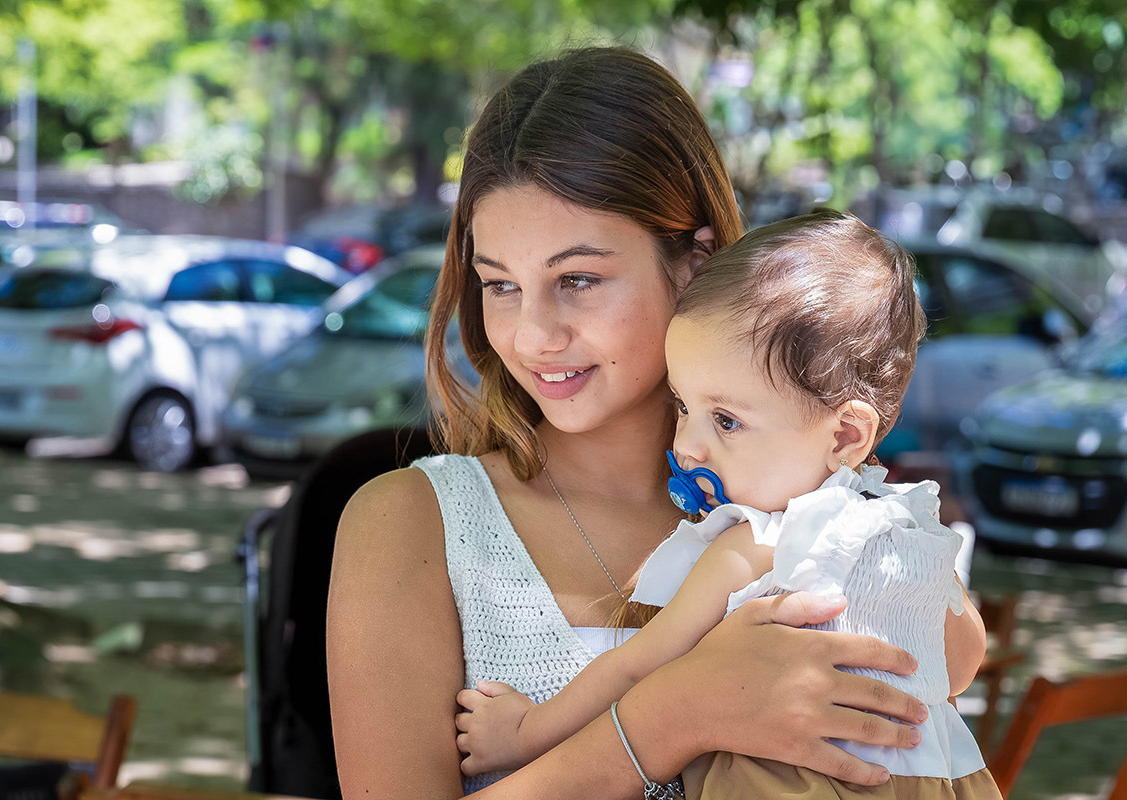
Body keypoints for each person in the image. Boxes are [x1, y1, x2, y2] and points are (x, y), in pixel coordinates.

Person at [327, 47, 950, 799]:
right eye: (500, 285)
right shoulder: (413, 524)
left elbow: (931, 690)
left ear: (694, 262)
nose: (532, 335)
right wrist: (671, 718)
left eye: (578, 279)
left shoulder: (811, 504)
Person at [453, 210, 997, 798]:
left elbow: (640, 664)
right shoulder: (908, 530)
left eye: (728, 420)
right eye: (683, 404)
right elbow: (961, 663)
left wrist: (522, 731)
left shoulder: (756, 543)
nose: (686, 444)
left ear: (843, 436)